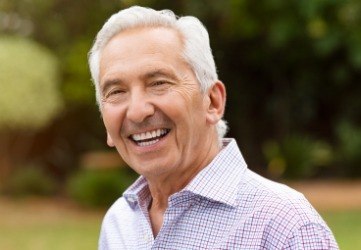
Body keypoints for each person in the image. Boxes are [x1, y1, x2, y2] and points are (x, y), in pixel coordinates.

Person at [88, 6, 339, 250]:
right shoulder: (119, 223)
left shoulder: (285, 226)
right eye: (117, 91)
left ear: (213, 102)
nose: (137, 111)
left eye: (158, 83)